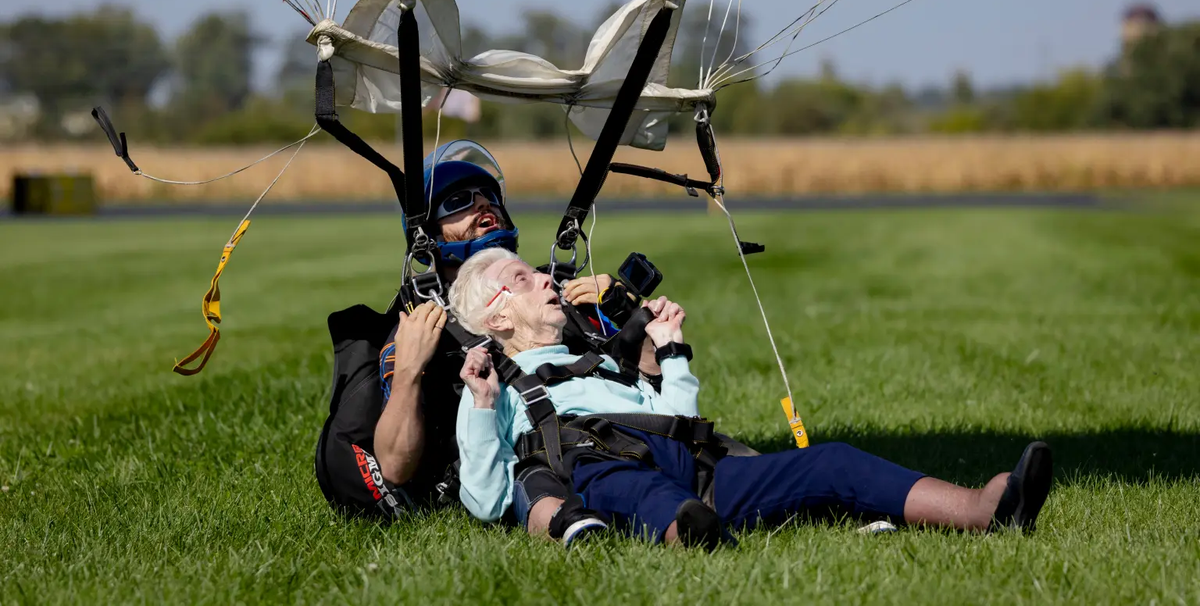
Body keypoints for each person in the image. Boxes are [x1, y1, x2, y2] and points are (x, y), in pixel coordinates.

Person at [448, 248, 1055, 548]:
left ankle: (982, 509)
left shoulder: (600, 357)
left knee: (833, 459)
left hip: (691, 467)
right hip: (602, 471)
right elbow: (484, 496)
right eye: (523, 279)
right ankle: (697, 540)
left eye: (540, 272)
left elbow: (680, 423)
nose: (548, 279)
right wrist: (480, 405)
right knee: (649, 495)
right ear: (495, 315)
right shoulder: (492, 380)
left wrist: (671, 350)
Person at [315, 140, 626, 545]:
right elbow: (392, 466)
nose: (484, 206)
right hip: (526, 467)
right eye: (460, 201)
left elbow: (644, 382)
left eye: (490, 198)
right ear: (430, 233)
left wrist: (620, 308)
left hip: (607, 438)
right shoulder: (424, 322)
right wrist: (408, 371)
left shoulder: (550, 291)